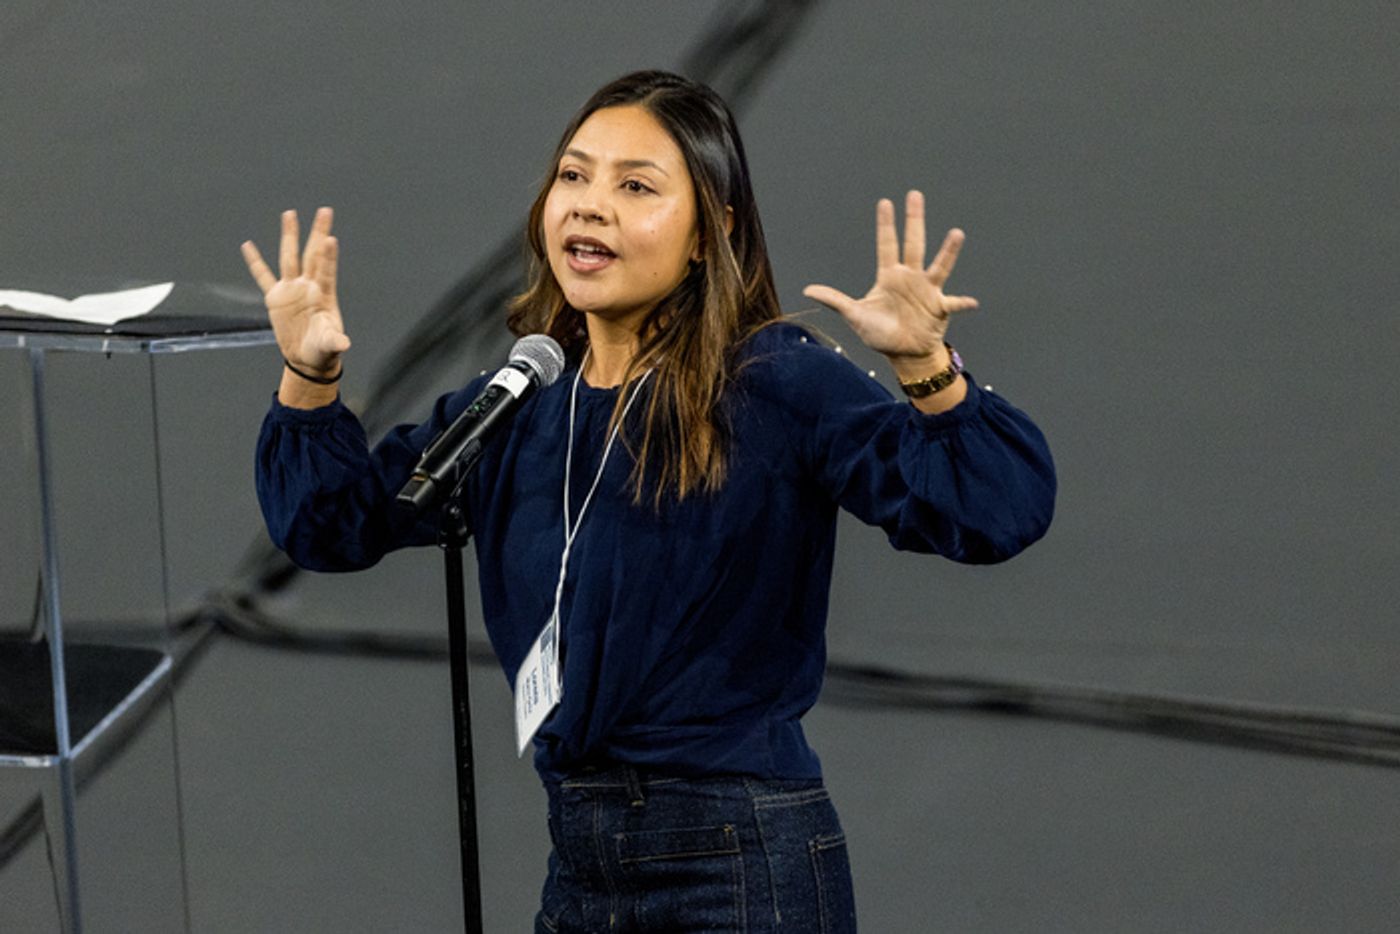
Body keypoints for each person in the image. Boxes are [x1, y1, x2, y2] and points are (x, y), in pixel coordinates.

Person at [242, 70, 1054, 934]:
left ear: (714, 231)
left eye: (636, 186)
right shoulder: (521, 398)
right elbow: (329, 524)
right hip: (582, 867)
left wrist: (927, 369)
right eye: (574, 176)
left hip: (734, 861)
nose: (590, 207)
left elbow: (995, 509)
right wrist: (309, 375)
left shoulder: (775, 380)